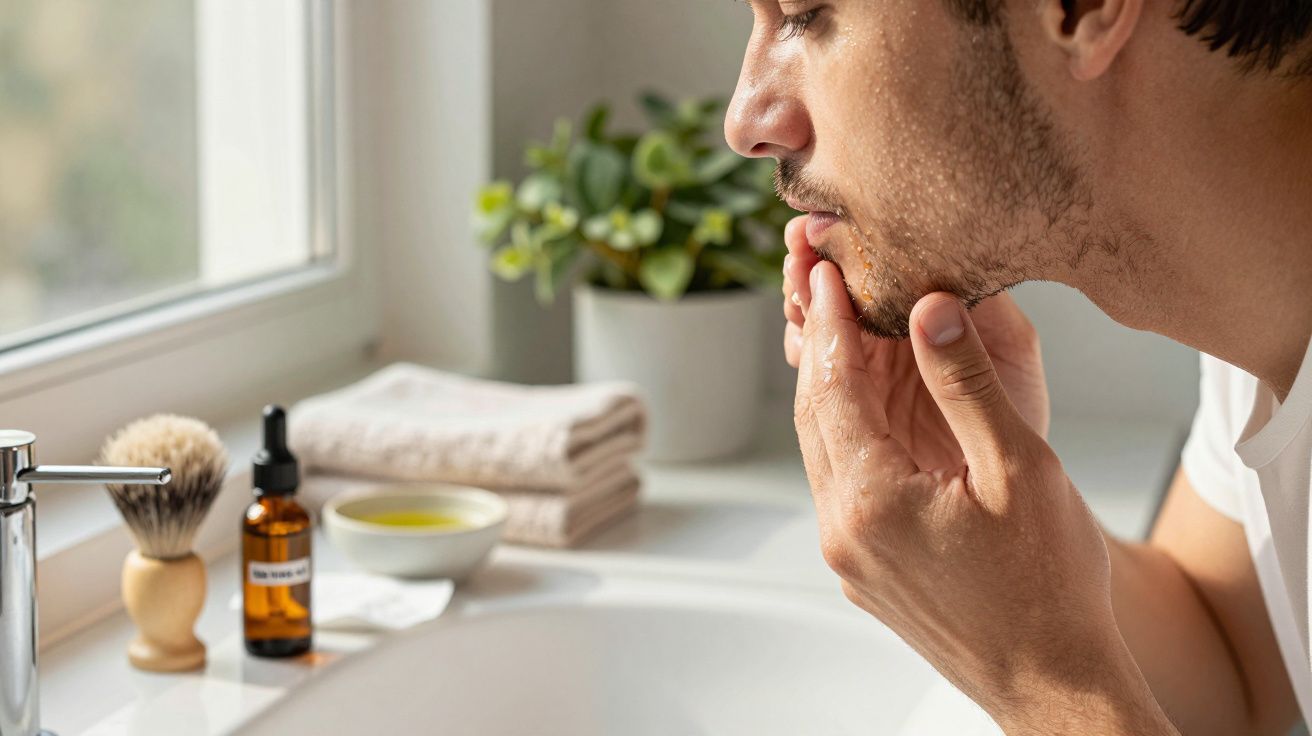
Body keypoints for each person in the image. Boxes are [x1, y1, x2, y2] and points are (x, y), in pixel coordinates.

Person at [724, 1, 1312, 733]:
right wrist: (1013, 544)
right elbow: (1235, 657)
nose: (747, 121)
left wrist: (1041, 686)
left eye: (806, 13)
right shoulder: (1254, 319)